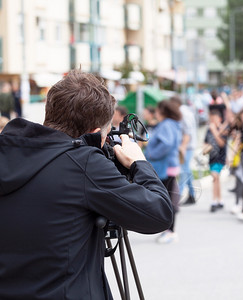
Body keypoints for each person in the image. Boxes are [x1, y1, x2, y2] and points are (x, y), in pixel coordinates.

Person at [0, 70, 173, 299]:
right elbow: (159, 213)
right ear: (94, 134)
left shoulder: (8, 150)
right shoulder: (83, 164)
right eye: (107, 132)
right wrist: (138, 162)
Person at [145, 99, 182, 243]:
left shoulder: (166, 125)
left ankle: (170, 231)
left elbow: (166, 144)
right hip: (169, 165)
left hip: (165, 166)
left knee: (167, 200)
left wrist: (153, 153)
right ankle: (169, 230)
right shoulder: (173, 124)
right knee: (169, 199)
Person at [170, 96, 197, 206]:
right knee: (187, 170)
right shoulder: (185, 111)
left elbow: (187, 133)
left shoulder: (183, 113)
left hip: (187, 146)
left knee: (183, 170)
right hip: (188, 145)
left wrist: (183, 147)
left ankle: (177, 196)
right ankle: (192, 194)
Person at [204, 109, 228, 212]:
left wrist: (214, 131)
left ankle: (214, 201)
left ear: (219, 119)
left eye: (214, 119)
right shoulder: (208, 130)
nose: (212, 121)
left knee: (215, 177)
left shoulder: (223, 129)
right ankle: (220, 200)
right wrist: (205, 149)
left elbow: (222, 143)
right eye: (211, 119)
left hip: (220, 157)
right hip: (212, 157)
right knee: (216, 179)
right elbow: (205, 143)